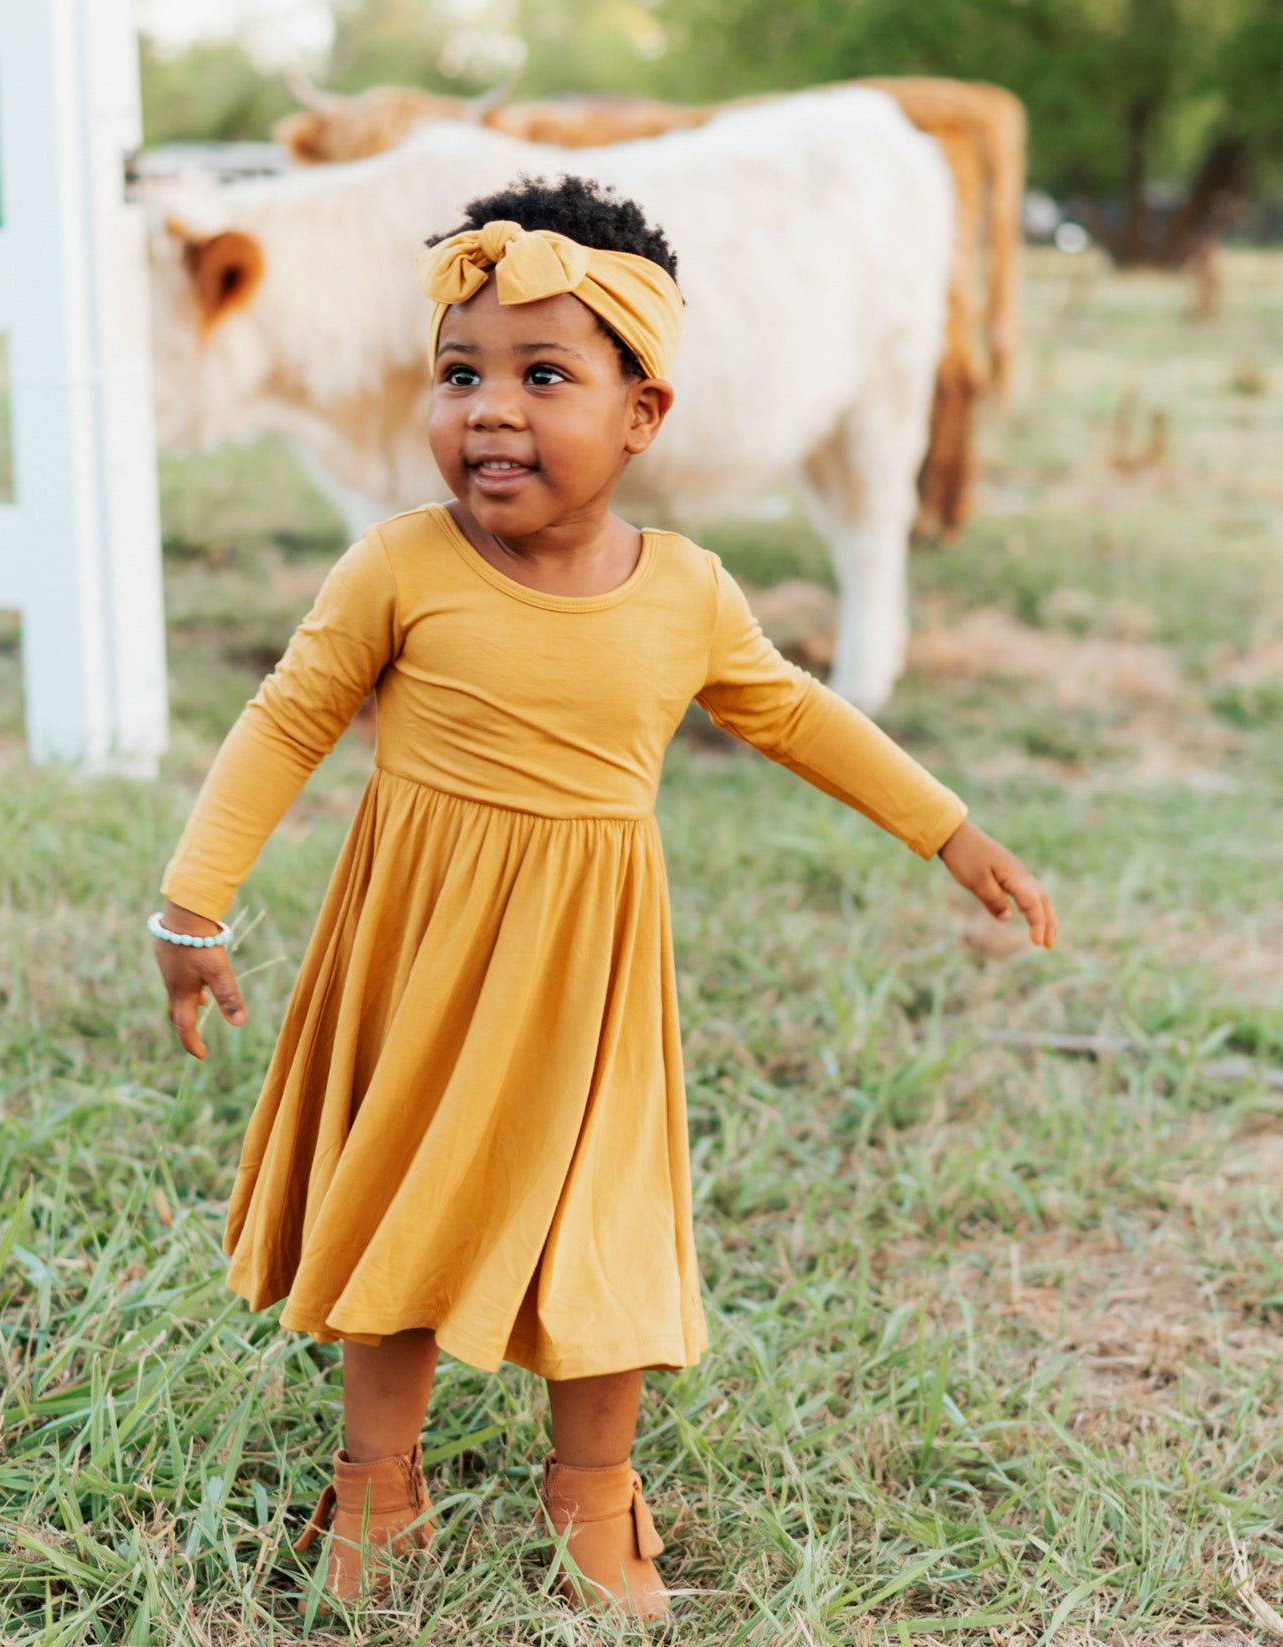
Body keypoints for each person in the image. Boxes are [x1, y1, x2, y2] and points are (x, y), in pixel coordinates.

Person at [151, 175, 1057, 1620]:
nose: (489, 410)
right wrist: (191, 908)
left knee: (600, 1230)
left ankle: (592, 1488)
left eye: (542, 375)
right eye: (459, 375)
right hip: (416, 959)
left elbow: (796, 715)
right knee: (395, 1214)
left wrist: (947, 830)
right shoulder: (398, 564)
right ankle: (378, 1479)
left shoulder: (685, 592)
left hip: (585, 984)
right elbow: (283, 721)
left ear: (644, 418)